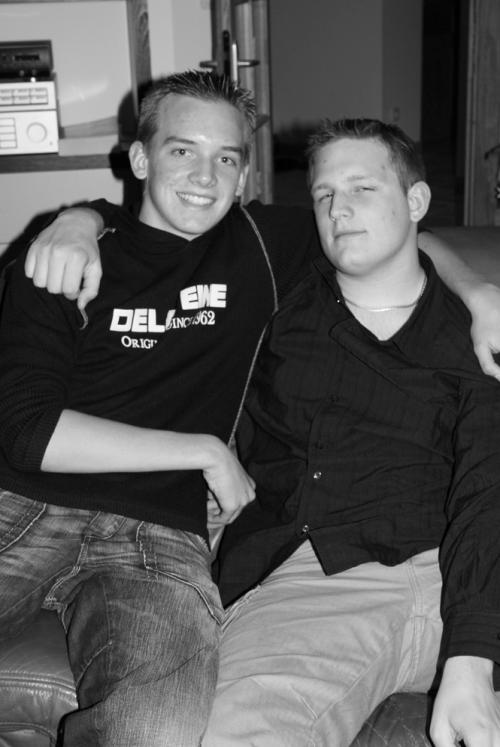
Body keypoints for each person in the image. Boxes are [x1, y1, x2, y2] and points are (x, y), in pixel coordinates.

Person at [0, 71, 309, 746]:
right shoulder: (62, 255)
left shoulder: (262, 247)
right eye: (181, 150)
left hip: (158, 533)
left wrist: (479, 289)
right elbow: (28, 434)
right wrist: (205, 451)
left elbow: (386, 230)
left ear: (244, 174)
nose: (204, 176)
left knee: (156, 731)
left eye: (225, 158)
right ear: (140, 159)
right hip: (21, 504)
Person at [198, 118, 500, 747]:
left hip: (465, 562)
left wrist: (471, 653)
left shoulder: (476, 334)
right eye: (325, 194)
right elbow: (167, 228)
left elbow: (487, 488)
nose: (339, 210)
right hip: (323, 579)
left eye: (363, 188)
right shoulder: (279, 296)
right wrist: (84, 221)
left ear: (415, 201)